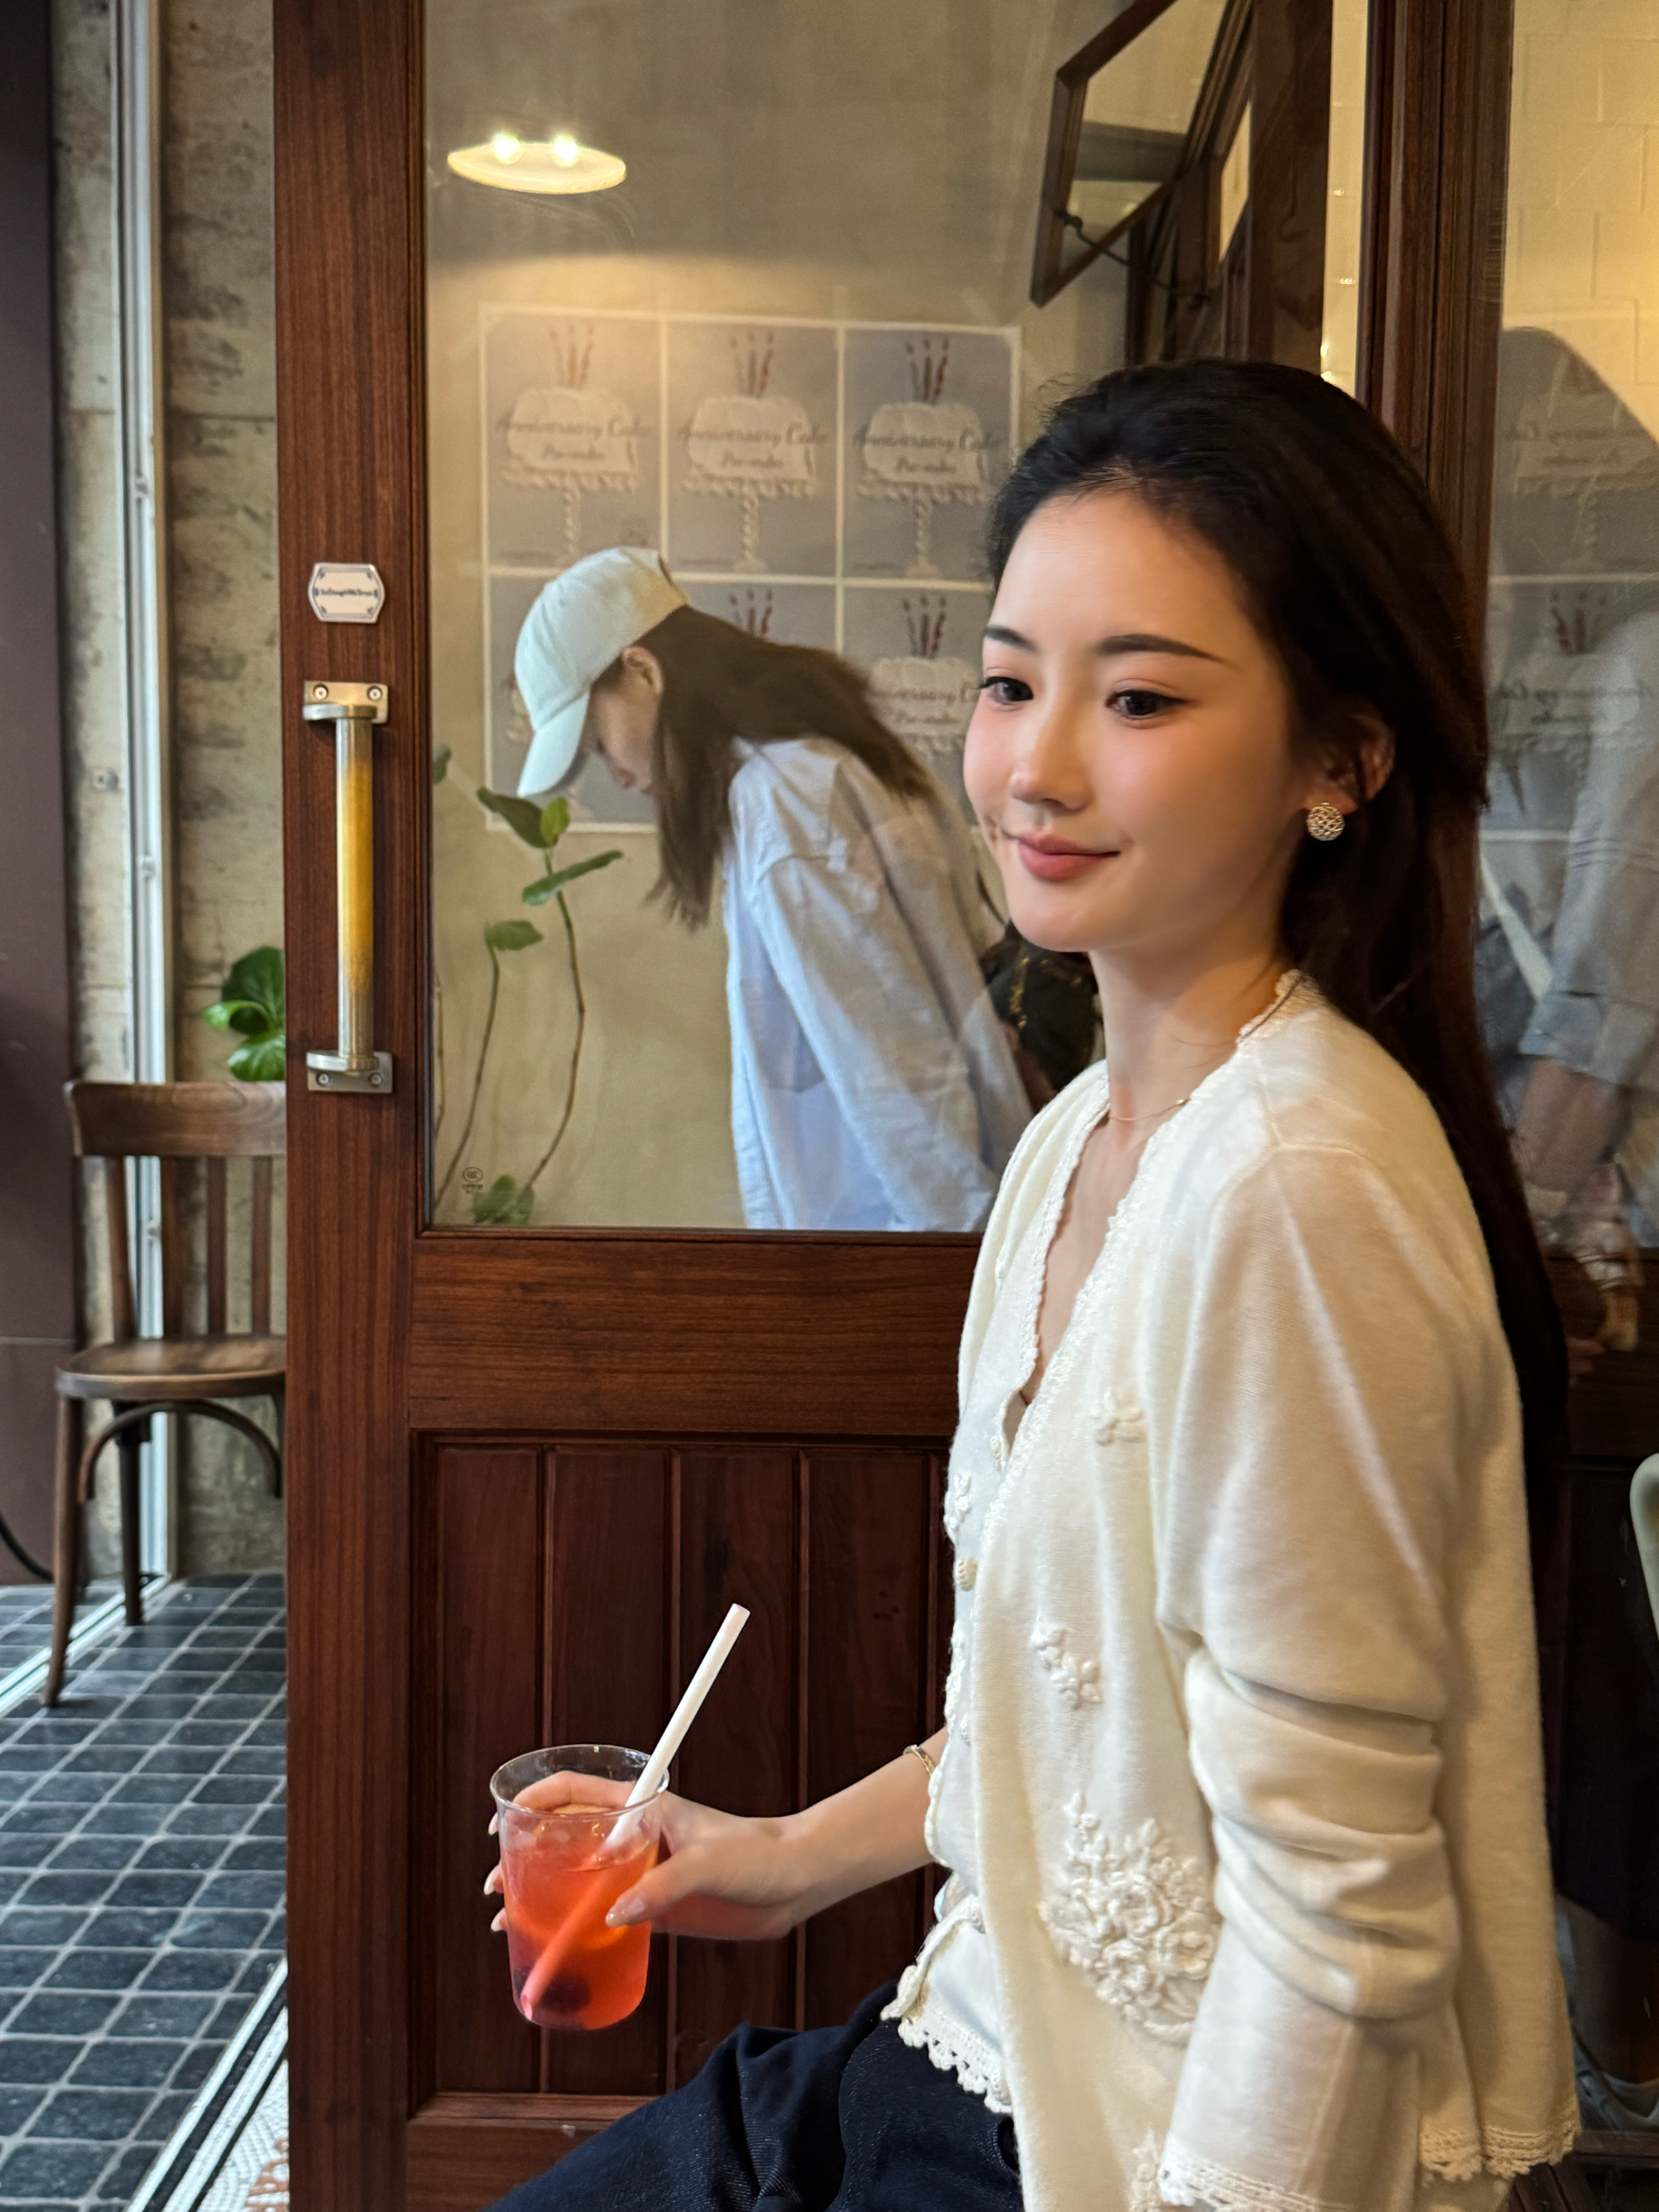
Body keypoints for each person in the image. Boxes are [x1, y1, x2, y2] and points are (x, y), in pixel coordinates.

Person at [488, 363, 1578, 2211]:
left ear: (1341, 763)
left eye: (1138, 696)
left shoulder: (1294, 1189)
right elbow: (1055, 1717)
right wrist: (772, 1859)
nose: (1035, 767)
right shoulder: (1077, 1145)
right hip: (958, 2049)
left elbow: (1338, 1927)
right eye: (1009, 683)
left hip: (1127, 2157)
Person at [513, 548, 1031, 1231]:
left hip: (901, 1236)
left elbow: (894, 1069)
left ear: (643, 671)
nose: (616, 773)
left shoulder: (784, 803)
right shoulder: (830, 754)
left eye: (599, 742)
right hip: (922, 1226)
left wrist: (948, 1255)